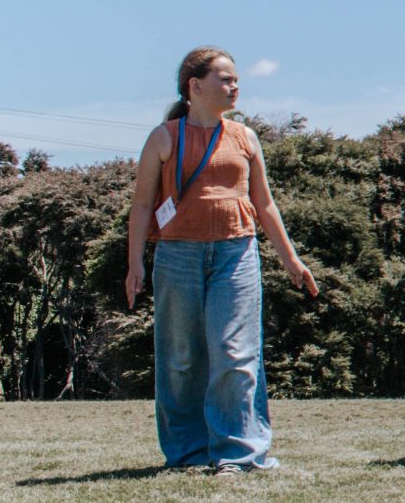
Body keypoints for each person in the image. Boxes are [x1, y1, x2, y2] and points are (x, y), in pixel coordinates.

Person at [124, 47, 319, 474]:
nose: (235, 87)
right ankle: (187, 454)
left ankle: (238, 454)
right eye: (226, 79)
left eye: (236, 80)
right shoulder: (163, 137)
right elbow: (141, 206)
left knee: (235, 352)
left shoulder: (245, 137)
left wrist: (291, 260)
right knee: (181, 357)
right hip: (177, 255)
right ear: (194, 86)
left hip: (236, 254)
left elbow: (264, 204)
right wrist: (135, 263)